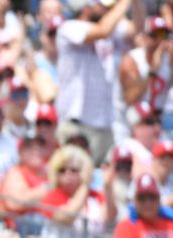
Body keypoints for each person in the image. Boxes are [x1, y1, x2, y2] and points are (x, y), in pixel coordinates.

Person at [56, 0, 132, 163]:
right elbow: (103, 30)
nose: (107, 8)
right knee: (75, 178)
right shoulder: (69, 27)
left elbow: (136, 31)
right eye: (102, 4)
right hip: (77, 124)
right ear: (85, 8)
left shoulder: (110, 29)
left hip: (105, 124)